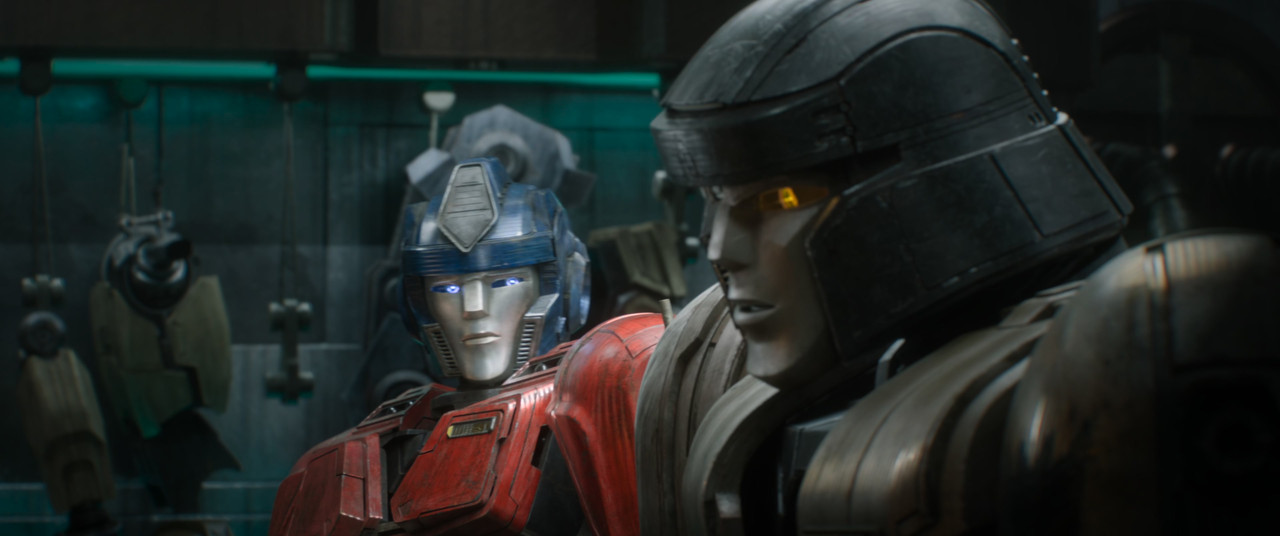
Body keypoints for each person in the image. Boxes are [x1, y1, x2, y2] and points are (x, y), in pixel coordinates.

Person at [635, 0, 1280, 534]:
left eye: (777, 199)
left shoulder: (1124, 362)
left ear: (931, 181)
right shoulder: (723, 372)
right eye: (715, 198)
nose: (720, 248)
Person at [270, 157, 661, 536]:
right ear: (416, 304)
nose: (474, 308)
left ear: (565, 289)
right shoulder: (384, 440)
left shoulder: (600, 407)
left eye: (504, 282)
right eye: (448, 288)